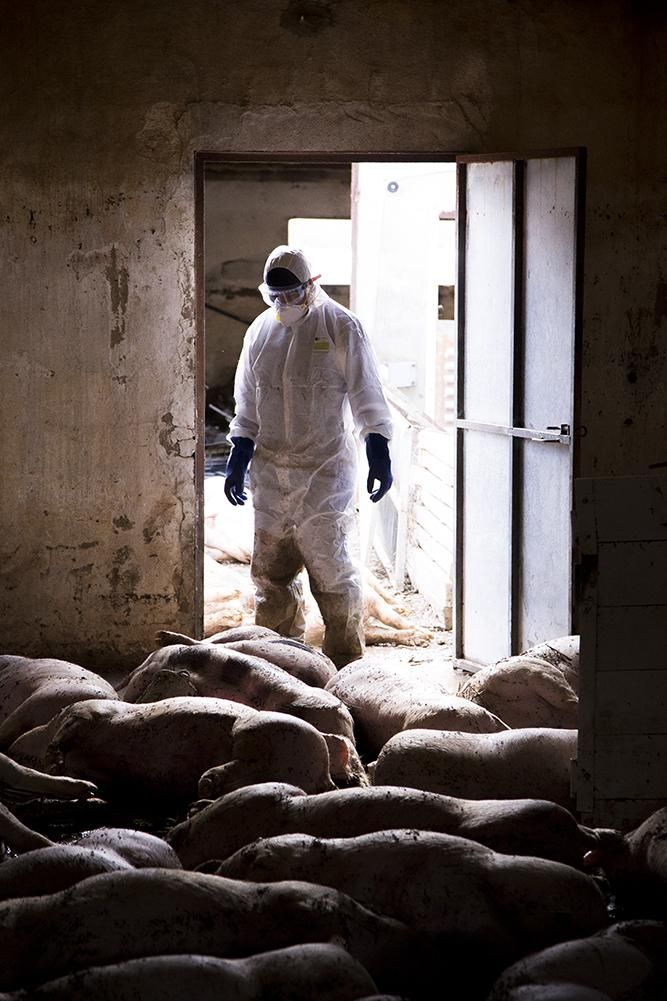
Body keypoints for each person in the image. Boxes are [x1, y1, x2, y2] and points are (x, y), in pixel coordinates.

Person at [224, 245, 393, 668]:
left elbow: (366, 392)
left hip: (323, 472)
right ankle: (279, 661)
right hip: (271, 473)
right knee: (270, 573)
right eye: (274, 296)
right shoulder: (261, 332)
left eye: (291, 294)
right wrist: (239, 452)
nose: (283, 304)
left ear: (310, 285)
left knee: (332, 570)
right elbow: (247, 399)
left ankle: (344, 660)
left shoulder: (340, 326)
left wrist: (378, 448)